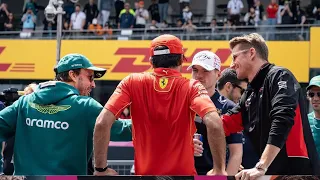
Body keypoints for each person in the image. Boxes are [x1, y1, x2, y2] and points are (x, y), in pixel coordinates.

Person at [93, 34, 227, 176]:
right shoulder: (192, 86)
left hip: (145, 175)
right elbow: (215, 124)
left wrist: (101, 169)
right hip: (183, 176)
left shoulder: (131, 82)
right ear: (181, 60)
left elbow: (102, 123)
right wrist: (219, 170)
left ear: (151, 61)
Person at [0, 54, 133, 175]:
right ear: (73, 75)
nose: (93, 84)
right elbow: (124, 130)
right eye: (90, 77)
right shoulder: (86, 106)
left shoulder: (24, 102)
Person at [221, 33, 320, 179]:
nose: (231, 64)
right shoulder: (249, 93)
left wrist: (261, 166)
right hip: (272, 174)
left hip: (297, 174)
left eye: (234, 57)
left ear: (252, 53)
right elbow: (223, 124)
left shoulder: (280, 75)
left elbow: (282, 118)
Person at [188, 51, 243, 175]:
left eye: (205, 70)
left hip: (214, 175)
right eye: (195, 70)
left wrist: (223, 178)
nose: (199, 75)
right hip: (183, 173)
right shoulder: (180, 102)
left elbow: (236, 153)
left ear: (218, 74)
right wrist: (186, 145)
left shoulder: (229, 107)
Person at [307, 75, 320, 159]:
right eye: (312, 94)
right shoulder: (304, 121)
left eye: (319, 94)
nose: (315, 98)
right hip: (310, 171)